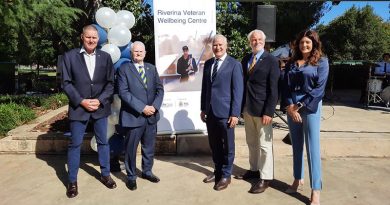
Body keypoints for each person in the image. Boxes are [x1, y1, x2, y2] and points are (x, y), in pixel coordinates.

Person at [61, 25, 116, 198]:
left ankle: (105, 175)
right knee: (75, 144)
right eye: (88, 37)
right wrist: (82, 101)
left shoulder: (106, 57)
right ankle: (72, 181)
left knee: (103, 142)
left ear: (98, 39)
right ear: (82, 37)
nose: (91, 40)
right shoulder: (69, 57)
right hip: (79, 108)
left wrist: (99, 100)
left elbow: (110, 84)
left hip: (100, 107)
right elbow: (66, 83)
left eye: (94, 37)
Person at [282, 30, 329, 205]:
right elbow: (284, 87)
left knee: (312, 149)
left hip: (310, 106)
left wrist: (299, 106)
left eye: (308, 42)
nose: (304, 45)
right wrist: (289, 107)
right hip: (291, 106)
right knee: (296, 145)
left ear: (314, 44)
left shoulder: (322, 62)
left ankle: (316, 189)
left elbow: (319, 90)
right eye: (301, 42)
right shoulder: (292, 63)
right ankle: (297, 179)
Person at [237, 29, 280, 194]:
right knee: (251, 142)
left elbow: (274, 89)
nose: (256, 42)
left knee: (264, 145)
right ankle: (254, 169)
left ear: (264, 41)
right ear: (250, 42)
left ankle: (266, 177)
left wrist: (269, 111)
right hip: (247, 109)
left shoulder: (271, 60)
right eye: (253, 40)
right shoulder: (246, 59)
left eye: (259, 39)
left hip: (263, 111)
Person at [117, 41, 164, 191]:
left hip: (151, 116)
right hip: (133, 117)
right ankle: (131, 177)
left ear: (145, 53)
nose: (138, 54)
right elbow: (123, 93)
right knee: (131, 149)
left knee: (148, 147)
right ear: (131, 53)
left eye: (141, 51)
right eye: (135, 51)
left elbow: (160, 89)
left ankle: (147, 171)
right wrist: (142, 108)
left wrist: (154, 107)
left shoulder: (151, 68)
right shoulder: (124, 69)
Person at [200, 34, 243, 191]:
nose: (217, 47)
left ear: (226, 46)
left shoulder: (234, 64)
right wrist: (203, 108)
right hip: (210, 112)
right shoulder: (209, 63)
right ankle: (217, 171)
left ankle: (226, 175)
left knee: (227, 146)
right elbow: (205, 88)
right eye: (215, 45)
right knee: (214, 144)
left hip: (226, 113)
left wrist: (235, 113)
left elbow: (238, 91)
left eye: (220, 45)